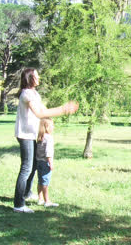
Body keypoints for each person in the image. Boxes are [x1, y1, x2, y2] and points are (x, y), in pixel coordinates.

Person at [14, 68, 78, 213]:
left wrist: (58, 113)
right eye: (36, 75)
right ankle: (18, 204)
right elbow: (39, 113)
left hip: (31, 134)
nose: (39, 77)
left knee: (34, 164)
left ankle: (26, 193)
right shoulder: (26, 94)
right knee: (26, 168)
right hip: (24, 135)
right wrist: (63, 109)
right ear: (30, 78)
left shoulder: (35, 94)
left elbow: (44, 110)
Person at [36, 118, 58, 208]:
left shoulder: (40, 137)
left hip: (39, 162)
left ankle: (40, 199)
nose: (53, 127)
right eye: (52, 125)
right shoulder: (49, 138)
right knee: (45, 182)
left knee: (40, 181)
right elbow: (48, 152)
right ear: (47, 127)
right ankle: (47, 201)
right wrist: (51, 163)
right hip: (45, 163)